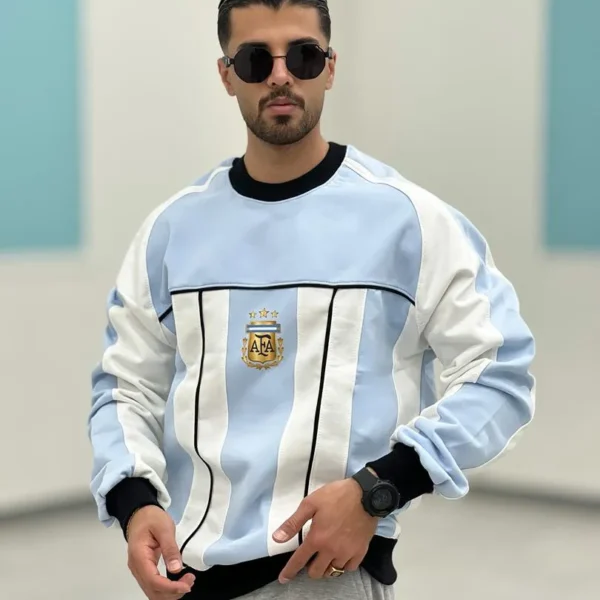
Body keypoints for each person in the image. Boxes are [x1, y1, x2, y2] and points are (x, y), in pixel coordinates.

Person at [88, 1, 536, 599]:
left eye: (302, 55)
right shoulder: (171, 231)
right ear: (226, 75)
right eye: (256, 59)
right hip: (186, 581)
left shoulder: (410, 222)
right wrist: (134, 500)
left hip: (329, 580)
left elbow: (500, 375)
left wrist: (379, 490)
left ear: (330, 67)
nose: (281, 75)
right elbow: (125, 386)